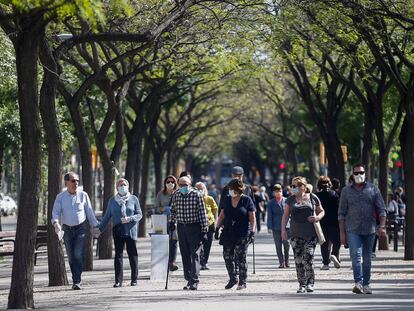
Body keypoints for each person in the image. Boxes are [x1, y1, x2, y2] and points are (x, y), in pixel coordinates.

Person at [338, 164, 386, 294]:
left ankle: (367, 284)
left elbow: (382, 209)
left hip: (369, 229)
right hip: (352, 229)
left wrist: (382, 226)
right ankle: (358, 283)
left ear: (365, 173)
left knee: (367, 258)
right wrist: (342, 233)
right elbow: (341, 213)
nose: (359, 175)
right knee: (356, 256)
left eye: (361, 172)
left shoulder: (373, 189)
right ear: (352, 175)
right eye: (356, 173)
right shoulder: (346, 191)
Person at [52, 172, 99, 290]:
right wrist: (56, 223)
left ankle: (77, 281)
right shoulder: (60, 197)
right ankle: (75, 279)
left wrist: (95, 226)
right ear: (66, 183)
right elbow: (55, 212)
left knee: (78, 254)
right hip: (66, 230)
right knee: (71, 257)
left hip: (80, 229)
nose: (76, 183)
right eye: (73, 181)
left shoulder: (83, 195)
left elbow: (89, 211)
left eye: (77, 180)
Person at [281, 176, 325, 293]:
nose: (294, 188)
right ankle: (302, 284)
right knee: (298, 260)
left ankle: (310, 283)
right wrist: (283, 230)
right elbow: (285, 216)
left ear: (303, 187)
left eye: (296, 186)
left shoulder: (312, 197)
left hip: (310, 234)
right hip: (295, 234)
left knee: (308, 258)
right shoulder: (290, 200)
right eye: (292, 186)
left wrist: (317, 217)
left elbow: (322, 211)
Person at [98, 178, 142, 287]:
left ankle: (134, 279)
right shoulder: (112, 201)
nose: (122, 186)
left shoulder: (133, 199)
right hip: (118, 230)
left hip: (130, 230)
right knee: (118, 255)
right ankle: (118, 280)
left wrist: (130, 218)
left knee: (132, 255)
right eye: (120, 184)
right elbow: (107, 216)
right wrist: (99, 229)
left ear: (127, 186)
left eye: (124, 184)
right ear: (117, 187)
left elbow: (139, 214)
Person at [215, 178, 256, 290]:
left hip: (242, 233)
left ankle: (242, 281)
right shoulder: (227, 199)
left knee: (241, 257)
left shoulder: (247, 200)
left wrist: (252, 232)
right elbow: (222, 215)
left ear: (237, 189)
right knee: (227, 256)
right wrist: (217, 228)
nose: (230, 191)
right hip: (228, 232)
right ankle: (233, 278)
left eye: (231, 189)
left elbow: (252, 218)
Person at [170, 176, 209, 290]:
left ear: (190, 184)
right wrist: (172, 221)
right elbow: (173, 210)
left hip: (194, 227)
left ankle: (195, 281)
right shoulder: (176, 195)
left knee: (195, 254)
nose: (183, 187)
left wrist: (204, 230)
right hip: (182, 227)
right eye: (181, 185)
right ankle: (188, 279)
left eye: (185, 184)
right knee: (185, 255)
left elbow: (202, 213)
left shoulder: (197, 194)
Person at [315, 176, 341, 270]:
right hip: (334, 222)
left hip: (322, 222)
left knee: (324, 243)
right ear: (329, 184)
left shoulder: (316, 196)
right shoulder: (335, 194)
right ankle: (334, 254)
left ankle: (326, 263)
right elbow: (339, 208)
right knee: (336, 241)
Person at [155, 175, 179, 271]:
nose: (170, 183)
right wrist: (163, 209)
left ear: (175, 184)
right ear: (165, 183)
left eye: (172, 182)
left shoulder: (178, 194)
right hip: (162, 221)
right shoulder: (160, 194)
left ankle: (172, 262)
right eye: (168, 182)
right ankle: (162, 263)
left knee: (173, 241)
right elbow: (156, 208)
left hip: (175, 221)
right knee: (163, 242)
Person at [195, 182, 218, 270]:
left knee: (207, 244)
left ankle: (205, 262)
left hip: (210, 224)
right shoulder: (194, 199)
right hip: (198, 225)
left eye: (202, 188)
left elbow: (215, 209)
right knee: (199, 244)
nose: (200, 190)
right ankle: (199, 262)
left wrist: (213, 218)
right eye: (198, 188)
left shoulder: (209, 199)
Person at [267, 183, 290, 268]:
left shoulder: (287, 200)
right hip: (276, 227)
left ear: (282, 191)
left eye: (279, 191)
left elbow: (290, 214)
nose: (278, 193)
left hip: (286, 226)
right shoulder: (271, 203)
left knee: (286, 244)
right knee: (278, 245)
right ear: (274, 193)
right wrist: (269, 227)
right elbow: (269, 216)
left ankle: (287, 261)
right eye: (276, 191)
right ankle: (281, 262)